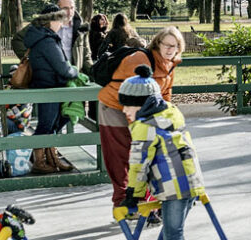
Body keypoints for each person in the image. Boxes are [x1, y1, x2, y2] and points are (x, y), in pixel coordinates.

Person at [97, 27, 183, 207]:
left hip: (139, 113)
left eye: (174, 46)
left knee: (146, 155)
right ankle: (122, 201)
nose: (169, 49)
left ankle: (145, 199)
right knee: (121, 155)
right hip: (114, 106)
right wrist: (141, 131)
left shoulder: (170, 65)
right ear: (157, 44)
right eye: (166, 45)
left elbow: (165, 96)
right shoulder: (140, 60)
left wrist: (165, 121)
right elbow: (133, 97)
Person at [118, 65, 205, 240]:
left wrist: (133, 194)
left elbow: (138, 164)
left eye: (128, 106)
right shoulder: (170, 113)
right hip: (192, 181)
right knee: (169, 232)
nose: (125, 110)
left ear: (140, 104)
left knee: (173, 233)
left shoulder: (144, 127)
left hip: (173, 187)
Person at [24, 5, 80, 174]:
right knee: (47, 126)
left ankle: (52, 159)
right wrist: (75, 71)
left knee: (53, 124)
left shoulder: (42, 37)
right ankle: (40, 162)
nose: (62, 24)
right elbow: (62, 68)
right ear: (51, 20)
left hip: (48, 86)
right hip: (49, 87)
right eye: (59, 20)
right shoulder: (47, 40)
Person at [11, 0, 92, 74]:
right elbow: (17, 40)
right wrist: (34, 60)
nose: (69, 12)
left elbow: (86, 57)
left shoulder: (81, 28)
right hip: (48, 76)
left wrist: (94, 73)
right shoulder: (44, 23)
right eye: (65, 8)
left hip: (72, 76)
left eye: (72, 8)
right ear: (58, 9)